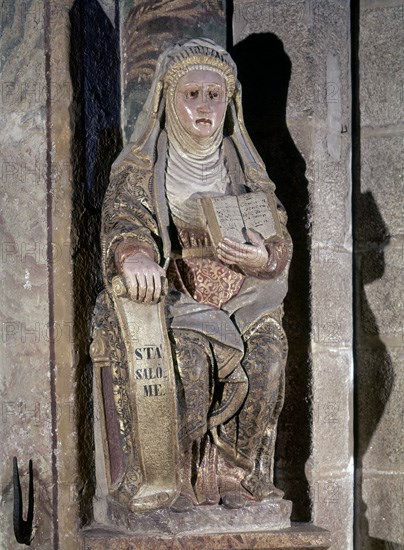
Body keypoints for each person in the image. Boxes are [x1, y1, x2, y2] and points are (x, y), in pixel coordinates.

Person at [92, 38, 292, 512]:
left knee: (267, 360)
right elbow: (126, 221)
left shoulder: (244, 168)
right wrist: (135, 257)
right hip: (177, 298)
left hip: (246, 299)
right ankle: (177, 476)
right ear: (168, 98)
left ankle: (234, 475)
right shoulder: (141, 168)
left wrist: (264, 258)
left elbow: (277, 235)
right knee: (191, 362)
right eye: (193, 94)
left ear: (230, 103)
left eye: (216, 95)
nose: (205, 106)